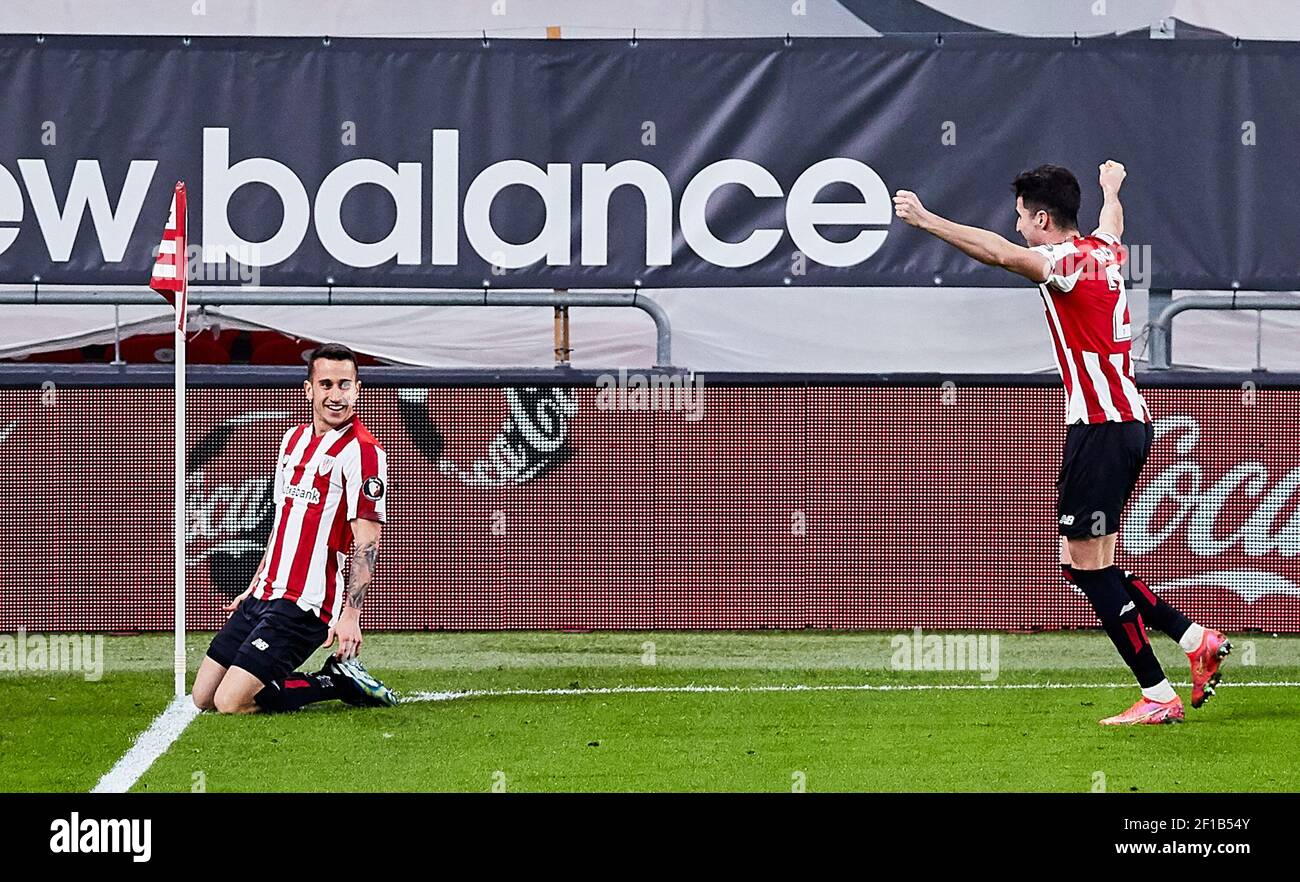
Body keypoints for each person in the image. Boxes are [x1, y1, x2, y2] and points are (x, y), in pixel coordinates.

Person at [892, 161, 1229, 725]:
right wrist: (1112, 189)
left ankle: (1158, 695)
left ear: (1042, 218)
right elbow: (1112, 222)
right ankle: (1194, 638)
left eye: (1022, 215)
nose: (1017, 224)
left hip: (1102, 431)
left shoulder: (1063, 264)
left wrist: (927, 221)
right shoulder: (1105, 250)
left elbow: (999, 253)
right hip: (1123, 427)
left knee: (1088, 567)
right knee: (1087, 564)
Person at [192, 343, 398, 713]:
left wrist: (350, 616)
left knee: (230, 702)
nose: (336, 396)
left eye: (345, 385)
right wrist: (254, 584)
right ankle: (323, 676)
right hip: (265, 594)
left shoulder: (364, 453)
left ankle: (335, 680)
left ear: (358, 388)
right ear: (309, 389)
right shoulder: (293, 439)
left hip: (306, 605)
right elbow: (282, 523)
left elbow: (367, 542)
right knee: (204, 696)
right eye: (327, 384)